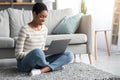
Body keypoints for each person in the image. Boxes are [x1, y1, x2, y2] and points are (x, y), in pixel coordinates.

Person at [15, 2, 74, 76]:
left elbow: (41, 49)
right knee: (37, 51)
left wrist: (46, 51)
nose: (44, 19)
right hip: (24, 64)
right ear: (34, 14)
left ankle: (41, 70)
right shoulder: (24, 30)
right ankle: (54, 66)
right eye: (41, 16)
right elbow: (18, 55)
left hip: (40, 61)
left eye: (45, 17)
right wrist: (35, 53)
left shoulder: (45, 29)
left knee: (69, 54)